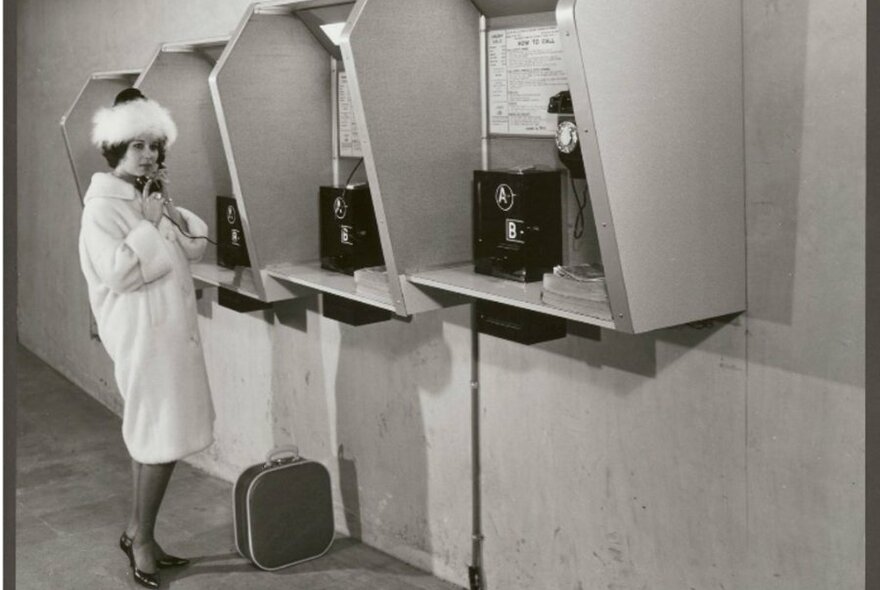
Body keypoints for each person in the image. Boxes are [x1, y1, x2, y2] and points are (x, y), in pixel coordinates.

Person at [79, 88, 215, 589]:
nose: (148, 154)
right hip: (141, 338)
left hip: (167, 336)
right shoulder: (102, 207)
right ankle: (140, 542)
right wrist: (150, 227)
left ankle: (140, 532)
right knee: (159, 439)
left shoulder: (147, 197)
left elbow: (193, 249)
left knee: (151, 438)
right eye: (136, 146)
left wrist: (170, 218)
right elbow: (119, 274)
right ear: (115, 149)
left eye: (154, 145)